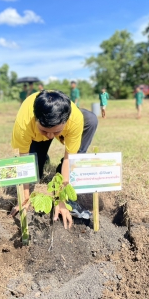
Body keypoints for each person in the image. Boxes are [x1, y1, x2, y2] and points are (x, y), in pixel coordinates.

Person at [11, 90, 98, 229]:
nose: (50, 136)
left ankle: (53, 158)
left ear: (66, 121)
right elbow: (22, 161)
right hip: (35, 137)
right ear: (35, 119)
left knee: (91, 121)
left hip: (63, 126)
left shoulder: (75, 120)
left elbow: (69, 159)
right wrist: (25, 198)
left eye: (56, 132)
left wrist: (61, 200)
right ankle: (42, 156)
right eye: (45, 131)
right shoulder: (24, 124)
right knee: (33, 172)